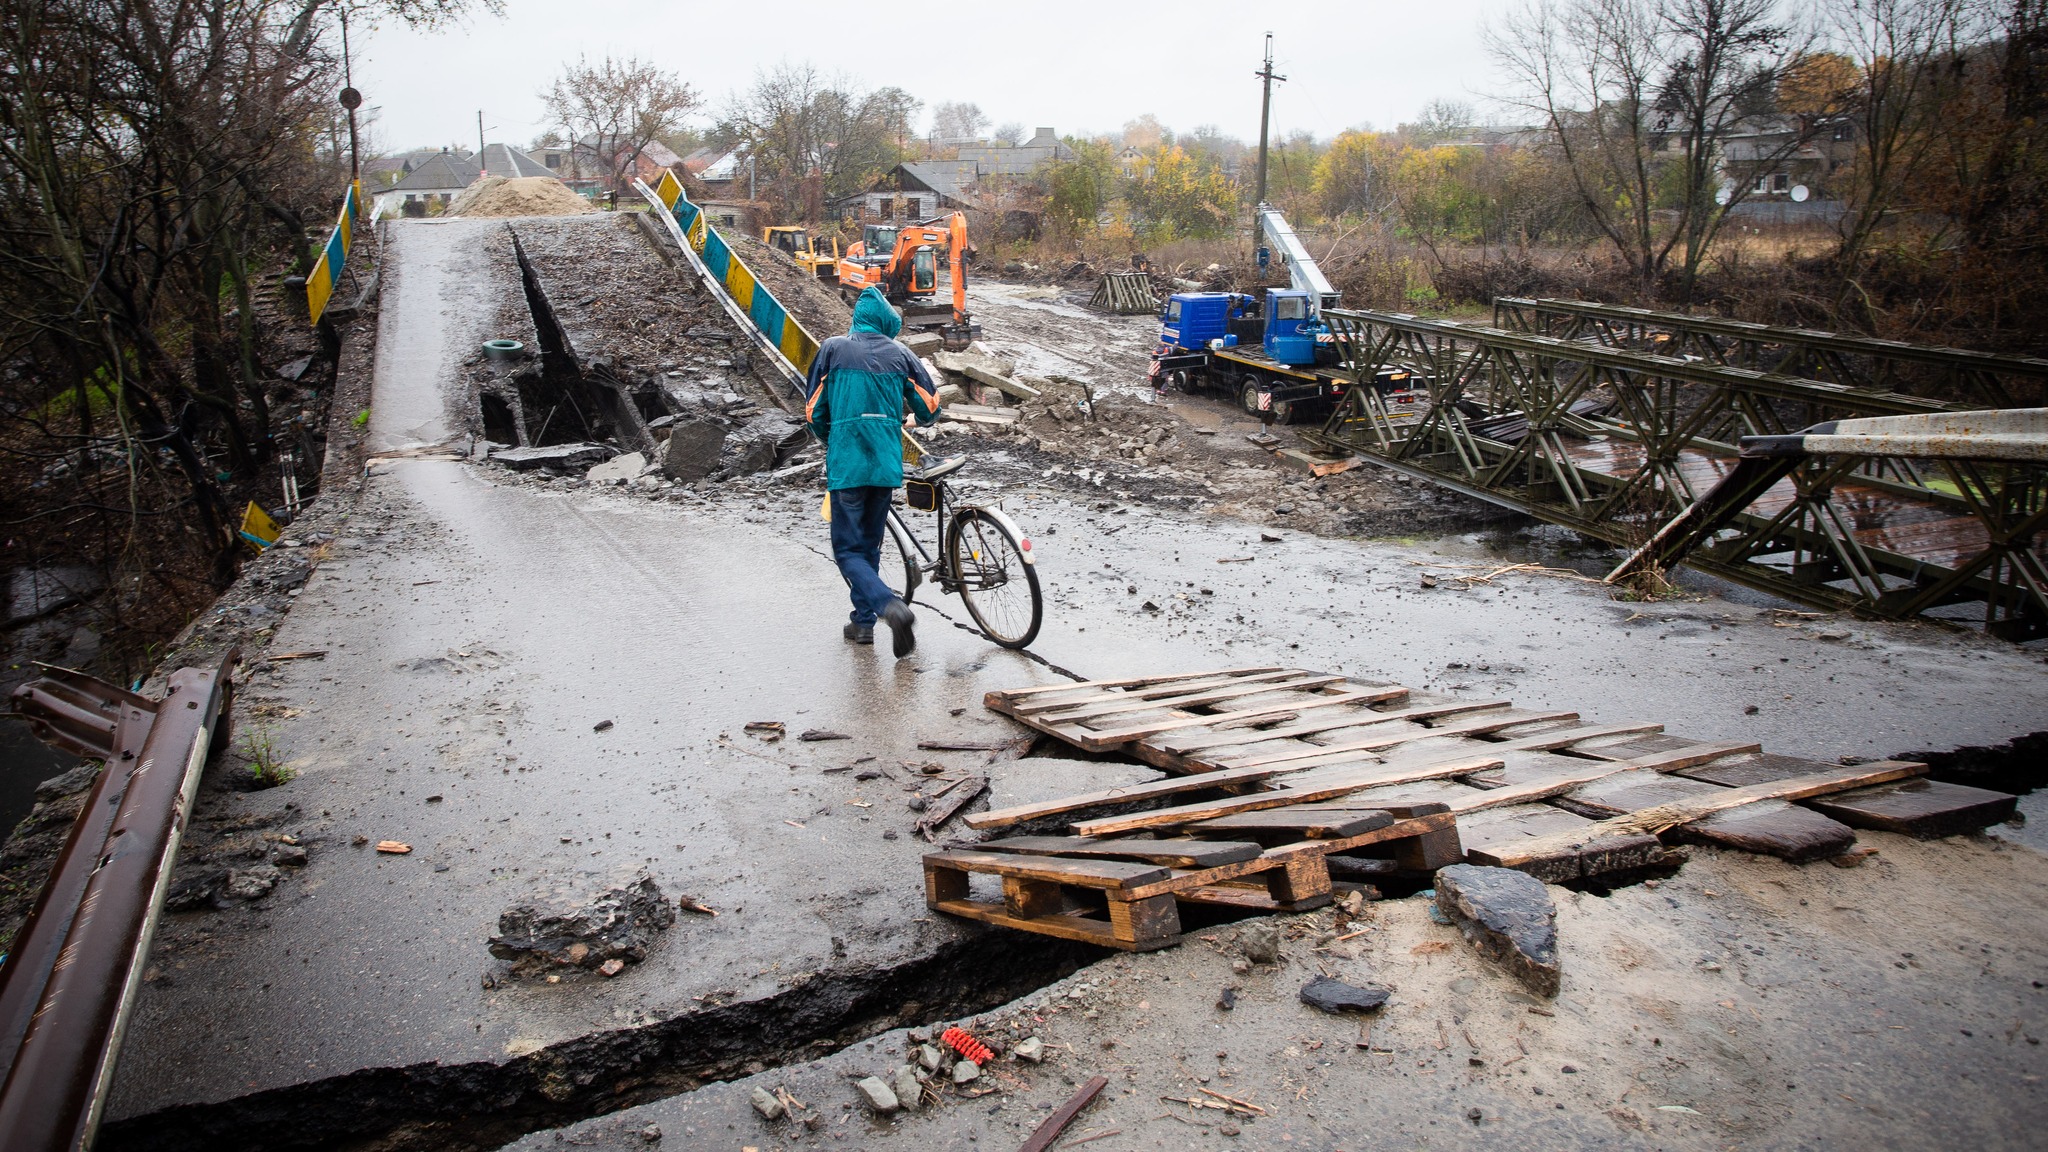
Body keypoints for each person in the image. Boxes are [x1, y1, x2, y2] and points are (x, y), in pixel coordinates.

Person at [804, 287, 941, 656]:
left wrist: (829, 439)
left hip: (847, 461)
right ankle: (863, 623)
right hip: (884, 464)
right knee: (870, 544)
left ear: (857, 318)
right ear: (887, 324)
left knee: (848, 550)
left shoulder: (833, 348)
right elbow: (929, 406)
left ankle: (889, 606)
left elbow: (814, 411)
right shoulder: (901, 353)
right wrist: (911, 417)